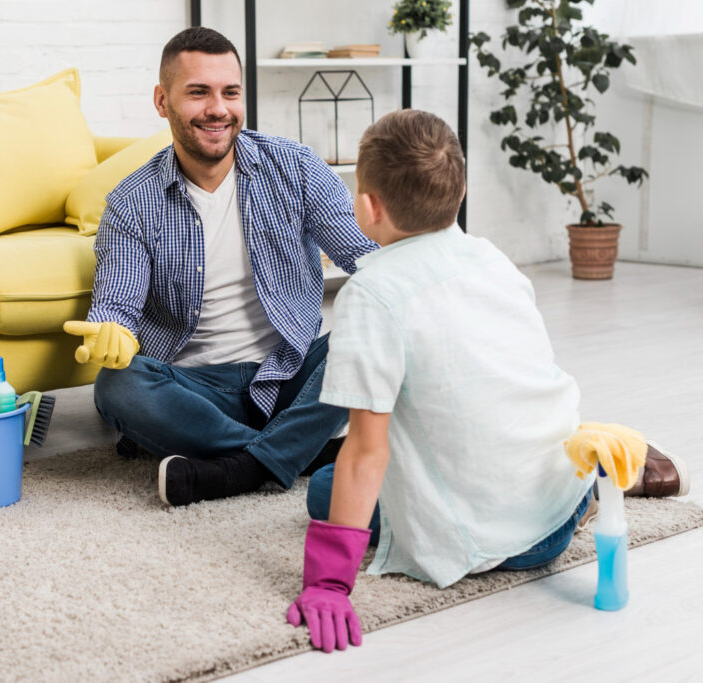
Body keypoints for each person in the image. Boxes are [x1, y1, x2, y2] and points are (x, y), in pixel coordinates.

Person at [285, 109, 691, 653]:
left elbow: (367, 450)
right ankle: (596, 480)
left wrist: (330, 582)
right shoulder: (492, 258)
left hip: (486, 541)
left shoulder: (370, 293)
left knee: (325, 487)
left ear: (366, 206)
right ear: (460, 191)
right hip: (558, 506)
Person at [62, 27, 378, 506]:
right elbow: (116, 305)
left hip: (287, 373)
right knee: (117, 386)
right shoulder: (131, 203)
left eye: (230, 92)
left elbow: (366, 259)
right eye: (198, 93)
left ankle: (242, 467)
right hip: (193, 390)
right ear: (162, 101)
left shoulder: (295, 168)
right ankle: (300, 451)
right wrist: (113, 331)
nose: (218, 109)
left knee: (371, 330)